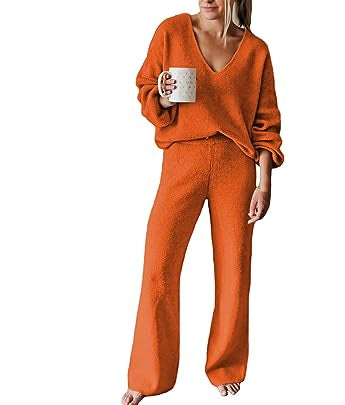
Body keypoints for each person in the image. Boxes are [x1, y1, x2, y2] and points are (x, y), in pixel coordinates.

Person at [122, 1, 284, 404]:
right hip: (183, 158)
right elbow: (146, 89)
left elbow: (266, 123)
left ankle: (225, 367)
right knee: (159, 266)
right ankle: (148, 375)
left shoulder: (256, 50)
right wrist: (163, 97)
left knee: (234, 271)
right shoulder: (172, 31)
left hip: (236, 165)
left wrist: (264, 185)